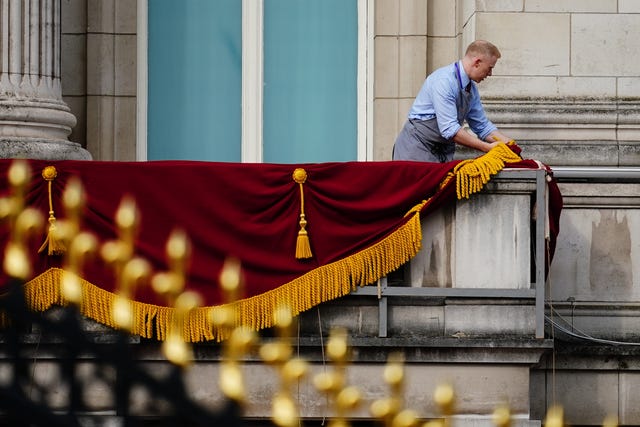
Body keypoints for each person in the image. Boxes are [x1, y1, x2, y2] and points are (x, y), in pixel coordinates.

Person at [393, 40, 513, 163]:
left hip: (441, 152)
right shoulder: (443, 81)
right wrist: (487, 147)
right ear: (477, 62)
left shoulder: (471, 89)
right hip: (415, 149)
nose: (490, 74)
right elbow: (449, 130)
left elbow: (482, 126)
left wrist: (509, 144)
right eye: (489, 68)